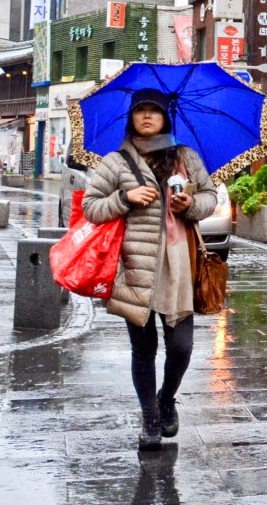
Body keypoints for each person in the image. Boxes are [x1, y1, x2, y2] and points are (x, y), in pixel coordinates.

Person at [80, 89, 218, 452]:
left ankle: (166, 398)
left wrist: (190, 204)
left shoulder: (184, 157)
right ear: (131, 117)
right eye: (139, 110)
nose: (145, 116)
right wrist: (126, 199)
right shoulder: (115, 162)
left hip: (179, 264)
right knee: (143, 349)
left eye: (153, 111)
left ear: (164, 117)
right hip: (134, 266)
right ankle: (150, 419)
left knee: (182, 347)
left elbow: (210, 196)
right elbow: (91, 208)